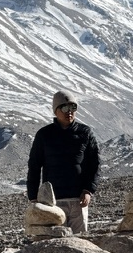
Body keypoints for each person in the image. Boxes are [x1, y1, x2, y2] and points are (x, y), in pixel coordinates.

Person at [26, 90, 100, 234]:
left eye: (73, 108)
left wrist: (88, 190)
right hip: (53, 201)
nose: (69, 112)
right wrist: (33, 198)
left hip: (78, 199)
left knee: (81, 241)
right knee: (56, 240)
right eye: (65, 108)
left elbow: (94, 164)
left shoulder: (85, 133)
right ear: (56, 111)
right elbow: (34, 166)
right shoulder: (44, 135)